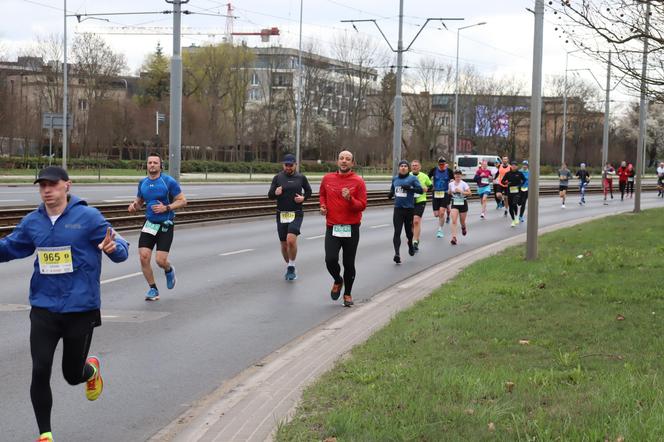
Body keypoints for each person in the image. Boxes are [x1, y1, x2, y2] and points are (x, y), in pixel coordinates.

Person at [0, 166, 129, 442]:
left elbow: (122, 249)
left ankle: (90, 370)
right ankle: (45, 434)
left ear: (67, 186)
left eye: (52, 184)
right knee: (39, 368)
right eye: (42, 185)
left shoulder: (88, 217)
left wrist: (113, 249)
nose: (47, 190)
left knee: (72, 375)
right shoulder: (33, 221)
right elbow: (11, 247)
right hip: (44, 308)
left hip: (80, 309)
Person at [128, 153, 187, 301]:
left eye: (155, 163)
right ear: (146, 165)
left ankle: (168, 269)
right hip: (150, 224)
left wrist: (166, 208)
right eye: (150, 163)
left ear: (161, 165)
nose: (152, 165)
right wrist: (134, 206)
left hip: (165, 224)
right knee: (143, 257)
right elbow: (139, 201)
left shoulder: (168, 181)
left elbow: (183, 201)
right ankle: (153, 289)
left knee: (160, 260)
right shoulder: (143, 183)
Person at [319, 150, 367, 307]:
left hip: (351, 227)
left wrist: (350, 199)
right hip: (333, 226)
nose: (344, 161)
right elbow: (322, 195)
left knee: (349, 263)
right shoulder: (327, 179)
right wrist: (323, 206)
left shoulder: (358, 181)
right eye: (341, 158)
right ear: (337, 161)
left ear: (352, 163)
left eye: (348, 159)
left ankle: (347, 294)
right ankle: (338, 280)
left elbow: (362, 205)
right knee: (330, 259)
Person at [268, 153, 312, 280]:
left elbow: (309, 191)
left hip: (296, 213)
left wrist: (303, 198)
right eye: (286, 165)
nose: (288, 167)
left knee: (291, 240)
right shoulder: (277, 178)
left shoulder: (301, 178)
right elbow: (270, 195)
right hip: (281, 214)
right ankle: (289, 267)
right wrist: (275, 193)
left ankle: (292, 265)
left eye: (290, 165)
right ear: (283, 165)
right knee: (283, 244)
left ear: (295, 165)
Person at [389, 160, 423, 263]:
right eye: (401, 166)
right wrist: (390, 194)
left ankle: (410, 245)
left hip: (409, 210)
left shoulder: (412, 178)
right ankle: (397, 254)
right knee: (397, 232)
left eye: (405, 166)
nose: (403, 168)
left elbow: (420, 190)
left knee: (409, 233)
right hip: (398, 210)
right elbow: (392, 189)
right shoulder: (395, 179)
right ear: (399, 168)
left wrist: (410, 188)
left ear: (408, 168)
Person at [428, 157, 454, 238]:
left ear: (445, 164)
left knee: (442, 213)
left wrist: (452, 183)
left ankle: (440, 230)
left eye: (443, 164)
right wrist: (430, 186)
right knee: (436, 214)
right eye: (440, 164)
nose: (442, 166)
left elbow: (453, 179)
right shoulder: (434, 170)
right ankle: (442, 217)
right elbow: (427, 178)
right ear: (438, 164)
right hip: (436, 193)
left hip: (445, 193)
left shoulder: (449, 171)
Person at [410, 160, 432, 251]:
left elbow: (431, 186)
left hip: (420, 201)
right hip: (409, 202)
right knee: (411, 223)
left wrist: (427, 188)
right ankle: (415, 238)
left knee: (416, 221)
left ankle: (414, 241)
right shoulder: (408, 176)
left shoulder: (424, 176)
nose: (414, 167)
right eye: (413, 165)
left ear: (420, 167)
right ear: (411, 167)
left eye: (416, 165)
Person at [448, 169, 471, 245]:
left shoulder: (464, 184)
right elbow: (449, 192)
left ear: (461, 176)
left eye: (459, 174)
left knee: (462, 221)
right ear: (454, 175)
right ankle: (454, 238)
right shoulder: (451, 184)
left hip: (463, 203)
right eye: (456, 174)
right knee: (454, 220)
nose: (457, 175)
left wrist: (461, 191)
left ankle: (463, 227)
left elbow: (469, 193)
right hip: (455, 203)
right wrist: (450, 192)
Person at [501, 161, 526, 227]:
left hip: (517, 192)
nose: (514, 166)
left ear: (517, 166)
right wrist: (506, 183)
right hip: (510, 192)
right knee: (510, 207)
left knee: (514, 203)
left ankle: (517, 216)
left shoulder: (519, 173)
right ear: (511, 166)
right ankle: (513, 220)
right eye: (512, 165)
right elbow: (502, 181)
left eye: (515, 165)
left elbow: (524, 180)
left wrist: (520, 185)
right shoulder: (508, 173)